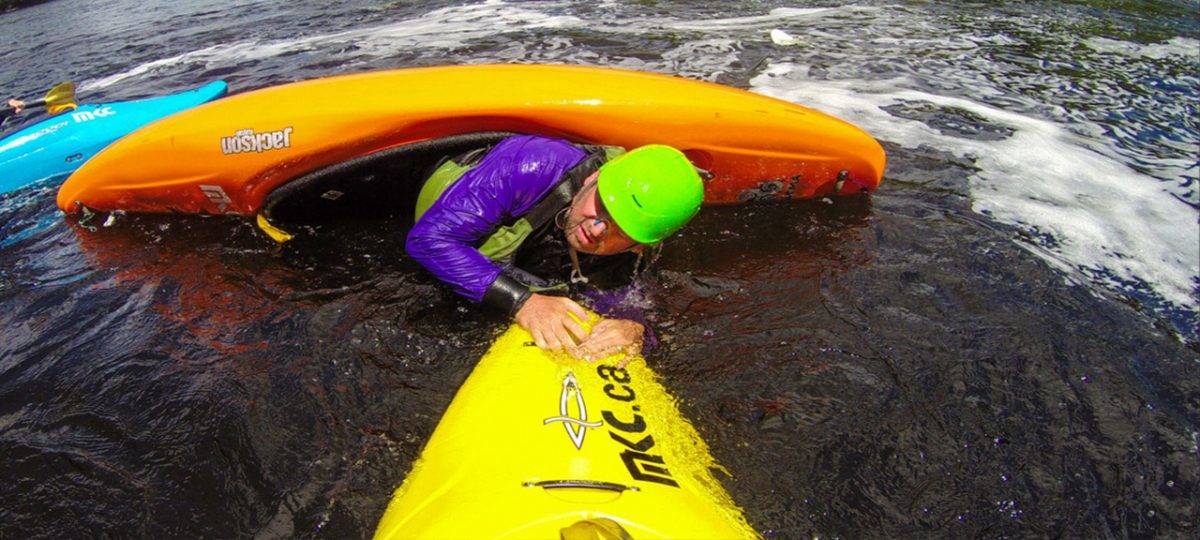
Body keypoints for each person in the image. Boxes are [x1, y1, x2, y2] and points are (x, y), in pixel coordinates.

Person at [406, 134, 703, 361]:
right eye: (602, 206)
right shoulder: (532, 167)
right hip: (453, 192)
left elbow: (627, 301)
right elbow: (429, 240)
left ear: (639, 246)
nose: (597, 228)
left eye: (620, 231)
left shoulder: (642, 237)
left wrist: (636, 330)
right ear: (593, 177)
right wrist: (522, 302)